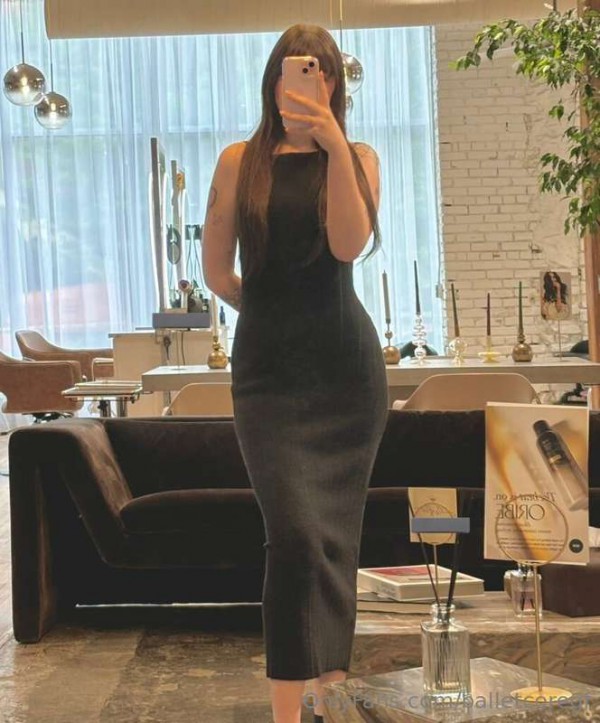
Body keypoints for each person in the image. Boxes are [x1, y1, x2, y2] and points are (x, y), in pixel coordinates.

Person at [202, 24, 388, 723]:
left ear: (335, 84)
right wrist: (271, 309)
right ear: (273, 80)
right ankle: (288, 712)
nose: (310, 82)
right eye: (295, 69)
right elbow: (217, 272)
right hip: (268, 376)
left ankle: (329, 702)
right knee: (294, 535)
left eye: (322, 72)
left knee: (334, 539)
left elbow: (347, 244)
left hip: (347, 374)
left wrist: (333, 143)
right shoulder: (238, 161)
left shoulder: (360, 158)